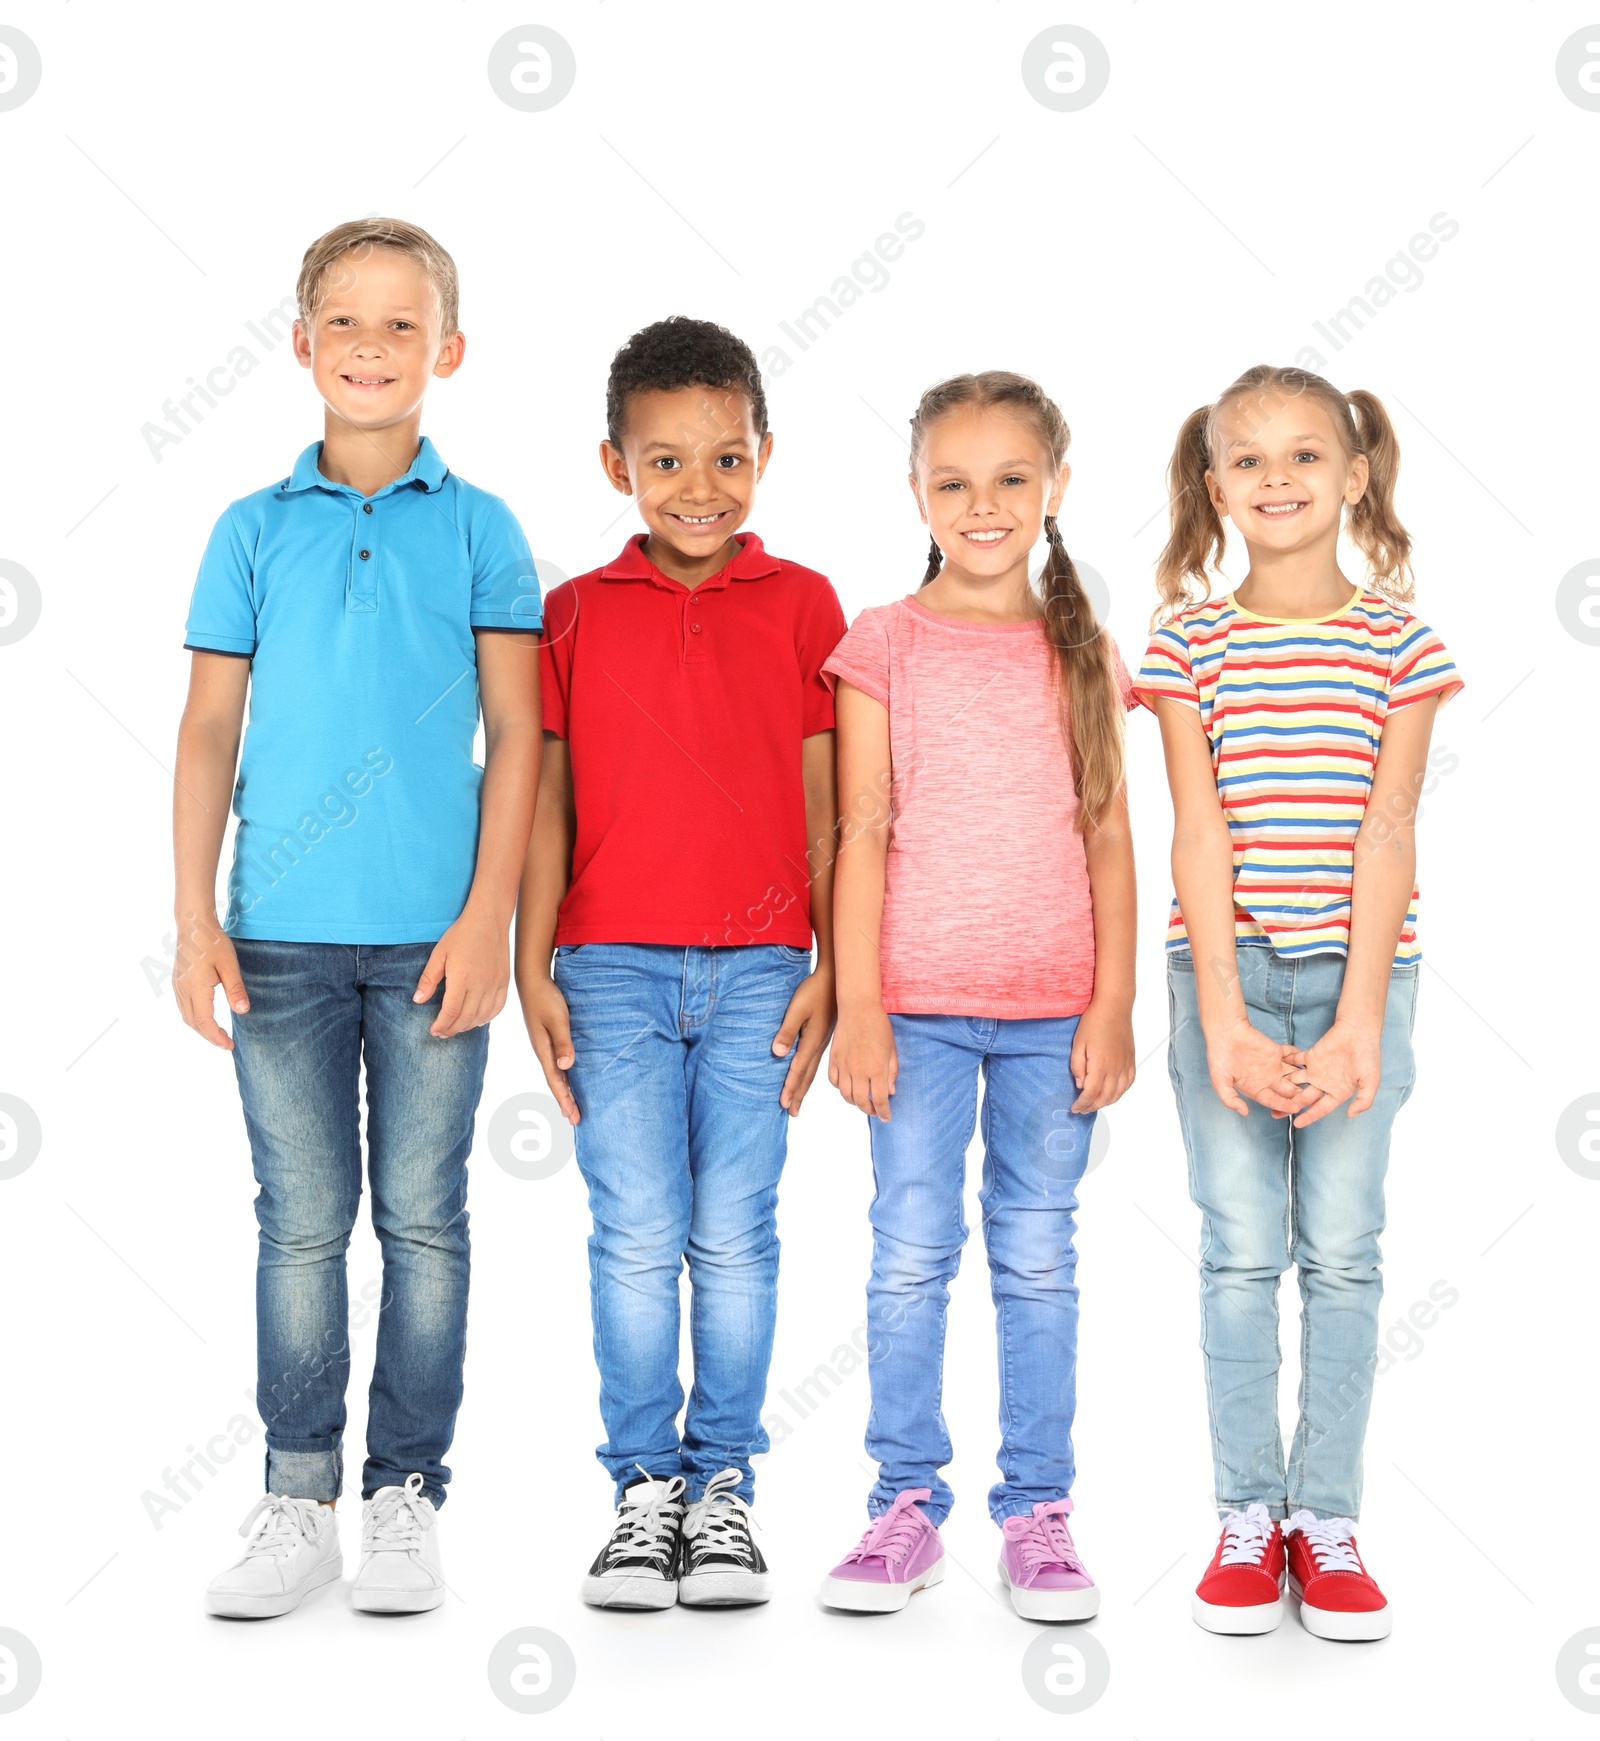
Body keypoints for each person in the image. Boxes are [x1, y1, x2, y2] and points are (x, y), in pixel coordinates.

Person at [172, 218, 543, 1618]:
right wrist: (195, 916)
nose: (371, 348)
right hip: (278, 936)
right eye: (346, 321)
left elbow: (518, 734)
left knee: (427, 1221)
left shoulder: (483, 525)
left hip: (435, 935)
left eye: (402, 325)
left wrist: (490, 915)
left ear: (446, 351)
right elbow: (211, 730)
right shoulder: (250, 529)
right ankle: (294, 1493)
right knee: (301, 1224)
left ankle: (404, 1493)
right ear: (301, 343)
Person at [515, 317, 845, 1608]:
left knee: (737, 1231)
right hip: (608, 967)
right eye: (666, 463)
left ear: (765, 453)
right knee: (638, 1228)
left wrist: (833, 961)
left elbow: (834, 801)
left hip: (765, 963)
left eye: (725, 458)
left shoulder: (808, 605)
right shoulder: (574, 613)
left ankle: (724, 1492)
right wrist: (530, 958)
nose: (698, 490)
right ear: (616, 467)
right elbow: (545, 799)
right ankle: (642, 1490)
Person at [1136, 364, 1462, 1640]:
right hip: (1219, 973)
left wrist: (1358, 1019)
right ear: (1214, 485)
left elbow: (1388, 833)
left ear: (1354, 473)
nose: (1278, 479)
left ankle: (1324, 1520)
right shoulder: (1189, 640)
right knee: (1236, 1251)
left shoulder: (1398, 639)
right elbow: (1198, 832)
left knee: (1343, 1251)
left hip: (1361, 979)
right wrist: (1219, 1012)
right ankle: (1241, 1514)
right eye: (1250, 459)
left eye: (1305, 455)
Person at [818, 371, 1137, 1621]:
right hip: (914, 1010)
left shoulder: (1079, 650)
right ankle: (903, 1504)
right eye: (953, 481)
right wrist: (857, 1004)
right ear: (916, 493)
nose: (983, 504)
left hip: (1054, 1013)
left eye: (1012, 478)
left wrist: (1111, 1004)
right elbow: (858, 832)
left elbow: (1108, 835)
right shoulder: (883, 642)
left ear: (1055, 488)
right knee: (908, 1252)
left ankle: (1039, 1514)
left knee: (1037, 1256)